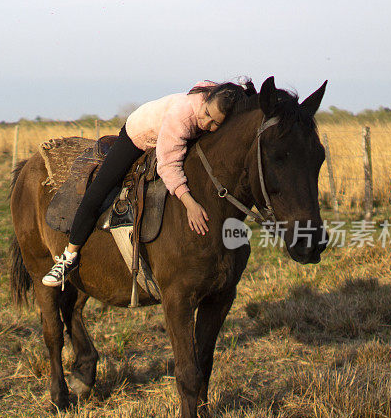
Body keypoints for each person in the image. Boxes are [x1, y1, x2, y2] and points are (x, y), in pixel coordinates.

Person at [42, 78, 254, 288]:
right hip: (138, 135)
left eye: (215, 123)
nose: (207, 123)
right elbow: (167, 166)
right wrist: (189, 203)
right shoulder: (182, 117)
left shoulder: (217, 93)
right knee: (97, 192)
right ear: (206, 99)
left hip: (170, 133)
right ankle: (68, 257)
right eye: (207, 114)